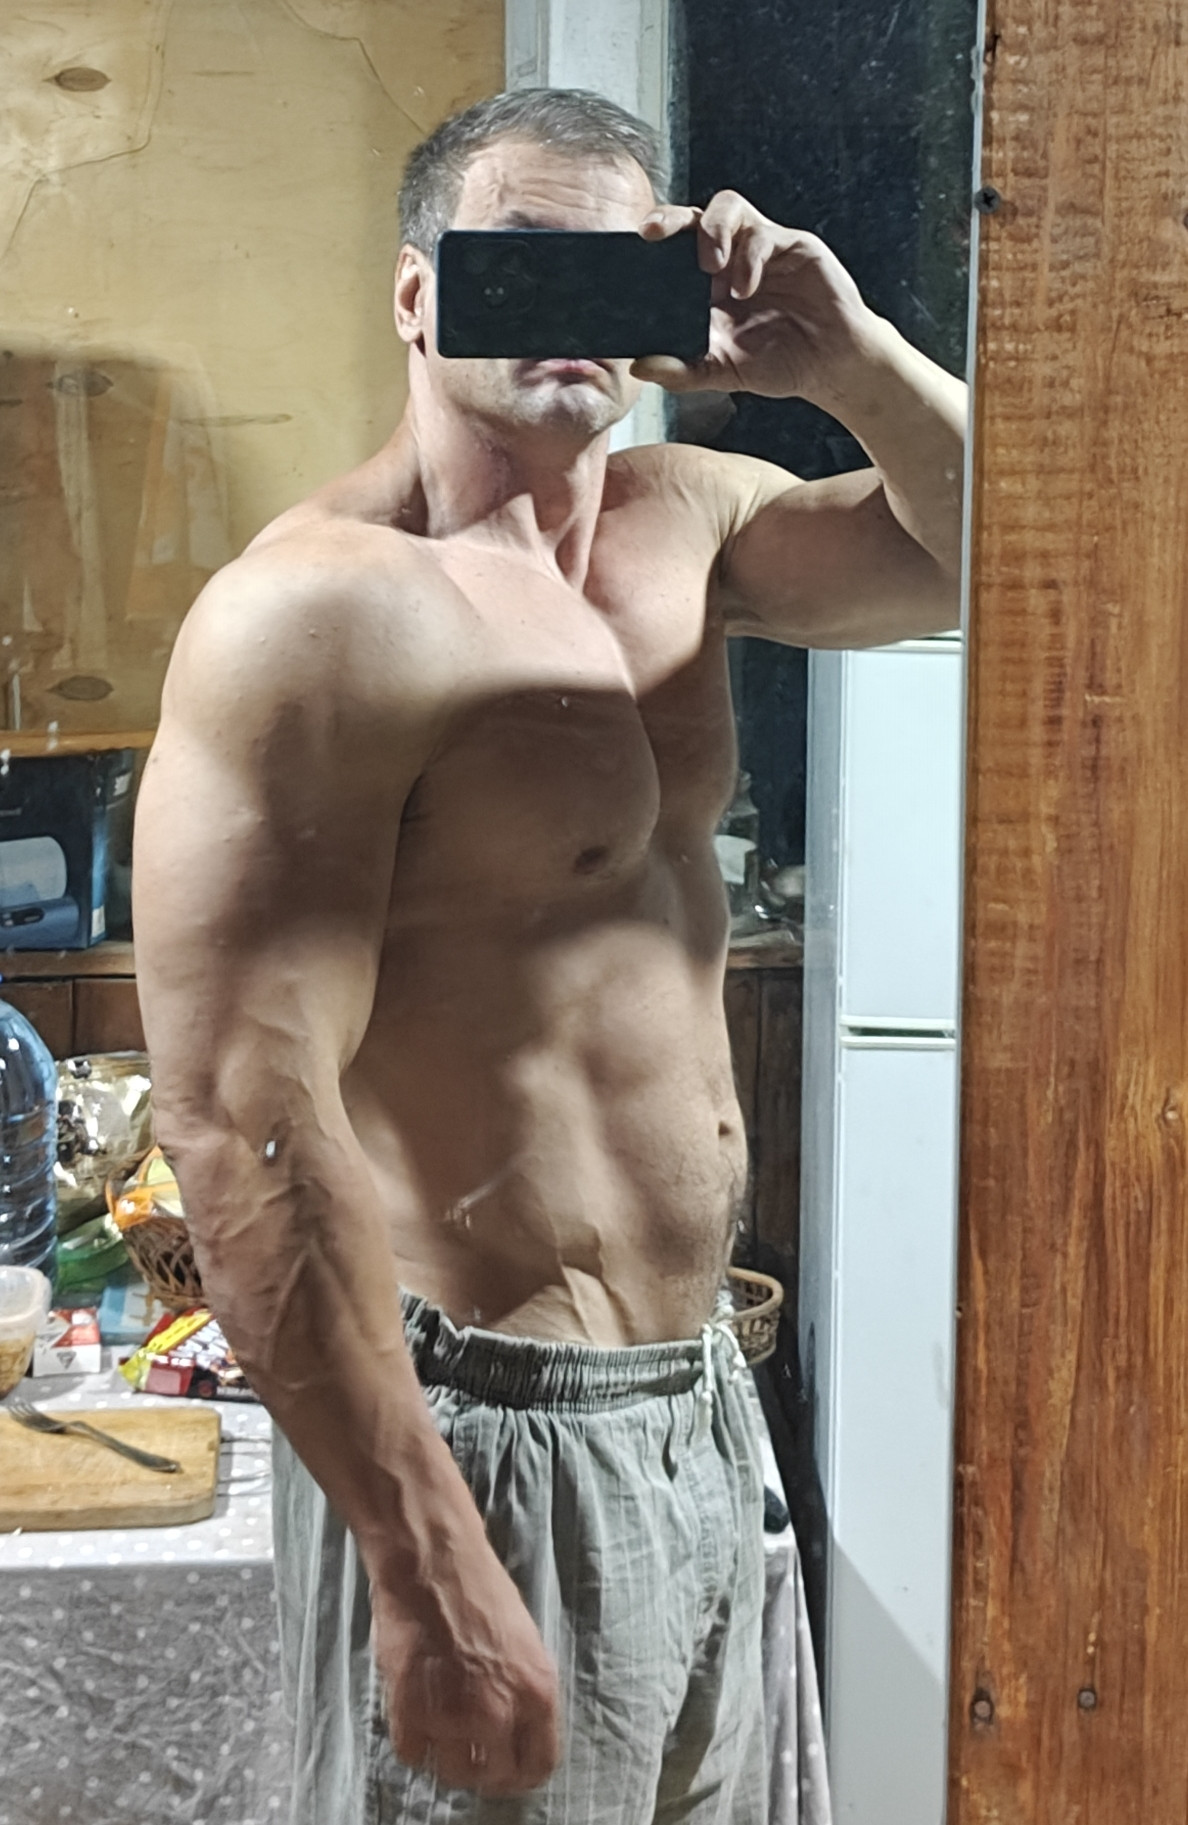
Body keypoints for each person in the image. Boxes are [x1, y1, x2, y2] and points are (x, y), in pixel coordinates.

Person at [133, 87, 965, 1825]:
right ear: (418, 294)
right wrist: (423, 1553)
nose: (568, 307)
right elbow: (239, 1115)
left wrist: (851, 363)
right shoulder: (316, 616)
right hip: (485, 1435)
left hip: (701, 1405)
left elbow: (1027, 565)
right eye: (521, 264)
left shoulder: (692, 525)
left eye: (615, 266)